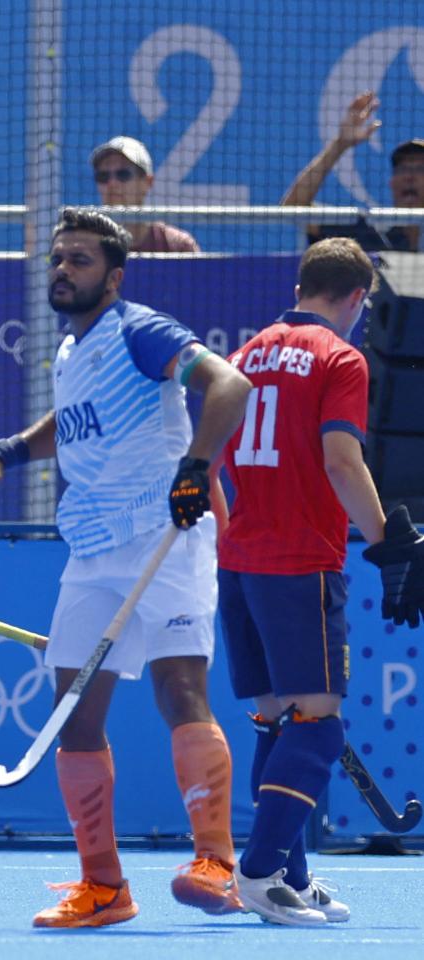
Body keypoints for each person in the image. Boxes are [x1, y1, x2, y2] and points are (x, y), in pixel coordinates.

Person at [0, 207, 253, 928]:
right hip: (91, 553)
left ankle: (217, 864)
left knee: (180, 691)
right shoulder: (69, 350)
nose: (64, 269)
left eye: (80, 260)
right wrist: (4, 454)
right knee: (73, 712)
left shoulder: (141, 330)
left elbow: (230, 386)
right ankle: (104, 887)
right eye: (58, 258)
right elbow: (68, 427)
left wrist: (196, 468)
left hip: (165, 538)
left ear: (114, 277)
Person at [217, 237, 424, 925]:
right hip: (300, 560)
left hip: (240, 560)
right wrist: (387, 542)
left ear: (301, 285)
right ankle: (257, 872)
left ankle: (290, 875)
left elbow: (211, 460)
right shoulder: (340, 358)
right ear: (359, 298)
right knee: (319, 728)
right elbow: (342, 461)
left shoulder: (243, 356)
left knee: (278, 722)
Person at [282, 92, 422, 252]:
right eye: (402, 169)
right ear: (392, 183)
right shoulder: (365, 233)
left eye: (420, 169)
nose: (409, 176)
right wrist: (340, 144)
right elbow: (293, 207)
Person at [89, 137, 199, 253]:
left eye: (123, 174)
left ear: (147, 182)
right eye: (103, 176)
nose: (112, 183)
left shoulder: (179, 246)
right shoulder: (87, 248)